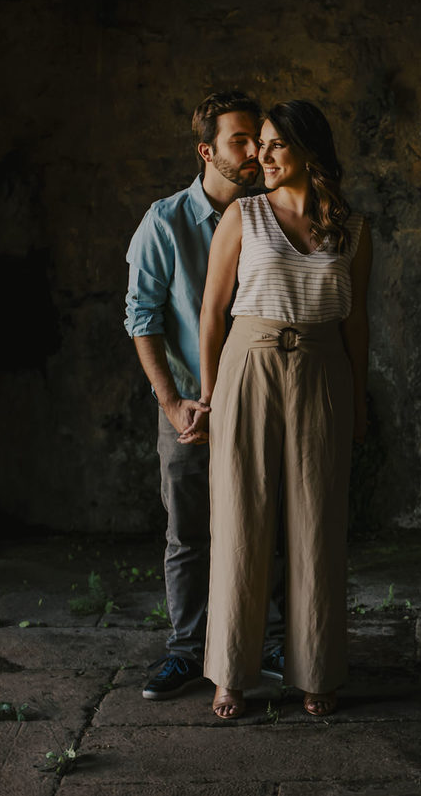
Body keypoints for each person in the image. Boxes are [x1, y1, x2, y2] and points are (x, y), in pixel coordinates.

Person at [183, 99, 372, 719]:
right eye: (255, 145)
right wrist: (209, 396)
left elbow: (357, 321)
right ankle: (230, 674)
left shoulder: (353, 230)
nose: (259, 157)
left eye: (274, 146)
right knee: (242, 518)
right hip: (249, 365)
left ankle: (317, 668)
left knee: (317, 521)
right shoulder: (244, 216)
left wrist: (360, 398)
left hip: (323, 370)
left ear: (308, 153)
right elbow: (212, 312)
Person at [124, 91, 287, 700]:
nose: (254, 154)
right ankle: (188, 650)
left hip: (261, 402)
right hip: (191, 406)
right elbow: (142, 318)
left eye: (259, 140)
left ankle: (270, 640)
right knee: (189, 532)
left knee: (267, 522)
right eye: (241, 141)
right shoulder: (163, 224)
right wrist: (172, 403)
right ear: (207, 151)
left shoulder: (272, 215)